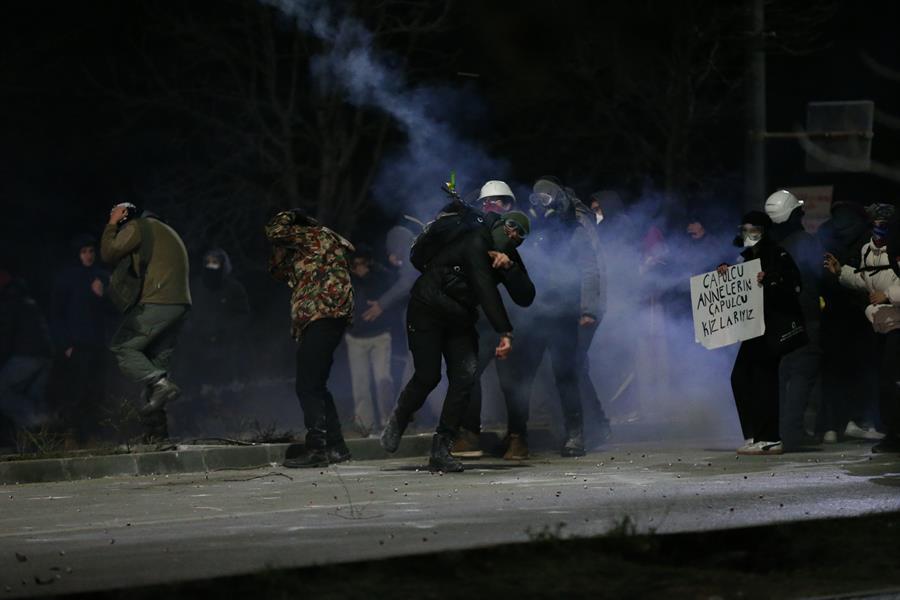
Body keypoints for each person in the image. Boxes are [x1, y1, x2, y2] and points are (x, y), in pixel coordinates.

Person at [380, 205, 532, 473]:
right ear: (499, 225)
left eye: (520, 234)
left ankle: (442, 448)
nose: (514, 236)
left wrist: (510, 269)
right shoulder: (476, 239)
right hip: (427, 307)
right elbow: (484, 287)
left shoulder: (508, 255)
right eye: (510, 228)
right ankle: (399, 418)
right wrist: (505, 331)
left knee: (465, 376)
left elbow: (527, 296)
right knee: (428, 376)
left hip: (460, 317)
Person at [495, 177, 604, 459]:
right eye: (536, 197)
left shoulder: (573, 230)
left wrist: (589, 308)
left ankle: (575, 434)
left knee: (565, 376)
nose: (539, 202)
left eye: (545, 197)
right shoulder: (532, 230)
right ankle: (517, 437)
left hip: (563, 314)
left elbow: (590, 270)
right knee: (523, 377)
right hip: (533, 314)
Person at [265, 209, 354, 467]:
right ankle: (336, 447)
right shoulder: (307, 250)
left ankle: (318, 450)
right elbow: (279, 272)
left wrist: (287, 215)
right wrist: (280, 253)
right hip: (320, 317)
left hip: (324, 314)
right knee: (316, 384)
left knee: (307, 385)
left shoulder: (314, 236)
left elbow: (274, 231)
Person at [453, 180, 536, 458]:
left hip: (507, 326)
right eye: (488, 202)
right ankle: (469, 433)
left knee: (511, 381)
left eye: (502, 202)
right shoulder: (470, 238)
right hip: (477, 324)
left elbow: (526, 295)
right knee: (468, 375)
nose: (494, 207)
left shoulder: (513, 242)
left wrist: (509, 267)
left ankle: (517, 437)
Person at [102, 203, 192, 442]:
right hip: (179, 306)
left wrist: (112, 223)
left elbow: (109, 252)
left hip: (158, 303)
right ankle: (157, 435)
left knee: (123, 346)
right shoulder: (170, 233)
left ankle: (160, 383)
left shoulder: (140, 227)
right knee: (152, 365)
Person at [723, 211, 806, 455]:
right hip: (753, 328)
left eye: (755, 229)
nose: (749, 234)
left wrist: (769, 279)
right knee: (741, 378)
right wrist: (725, 273)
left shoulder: (777, 254)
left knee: (763, 381)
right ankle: (754, 434)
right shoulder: (745, 256)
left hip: (770, 328)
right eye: (745, 228)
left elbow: (794, 284)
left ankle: (769, 438)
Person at [825, 203, 900, 453]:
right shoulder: (868, 249)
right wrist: (841, 273)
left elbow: (884, 287)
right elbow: (864, 279)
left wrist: (888, 295)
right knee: (885, 383)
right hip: (882, 325)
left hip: (897, 325)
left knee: (892, 382)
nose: (879, 229)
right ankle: (893, 434)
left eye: (884, 225)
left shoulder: (897, 248)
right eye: (876, 224)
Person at [764, 190, 824, 450]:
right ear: (795, 214)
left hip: (773, 320)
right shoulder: (804, 242)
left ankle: (775, 432)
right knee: (801, 372)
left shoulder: (765, 246)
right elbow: (820, 275)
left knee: (779, 375)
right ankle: (793, 434)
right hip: (802, 317)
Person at [816, 202, 880, 442]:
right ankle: (860, 419)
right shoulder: (867, 235)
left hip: (832, 313)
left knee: (832, 372)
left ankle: (829, 426)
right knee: (862, 369)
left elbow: (820, 273)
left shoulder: (824, 234)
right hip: (861, 311)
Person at [179, 247, 250, 430]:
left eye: (215, 263)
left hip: (225, 348)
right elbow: (184, 312)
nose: (211, 267)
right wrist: (191, 330)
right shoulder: (195, 286)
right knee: (197, 388)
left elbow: (243, 315)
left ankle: (230, 424)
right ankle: (195, 425)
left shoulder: (233, 288)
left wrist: (226, 331)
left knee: (225, 389)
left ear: (223, 265)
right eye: (208, 262)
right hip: (198, 347)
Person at [48, 235, 111, 444]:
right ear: (78, 254)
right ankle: (73, 435)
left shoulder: (101, 276)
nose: (89, 255)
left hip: (98, 344)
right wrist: (65, 344)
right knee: (76, 391)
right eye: (84, 251)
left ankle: (94, 435)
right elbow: (57, 313)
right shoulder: (67, 278)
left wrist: (102, 295)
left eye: (91, 251)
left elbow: (113, 311)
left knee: (97, 392)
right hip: (77, 345)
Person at [345, 243, 395, 437]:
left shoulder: (381, 276)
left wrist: (369, 274)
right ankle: (365, 425)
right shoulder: (347, 279)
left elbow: (393, 296)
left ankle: (388, 422)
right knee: (360, 384)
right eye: (355, 264)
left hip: (380, 335)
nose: (358, 267)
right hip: (355, 337)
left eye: (362, 263)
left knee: (383, 380)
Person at [0, 271, 53, 438]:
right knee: (32, 396)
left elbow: (7, 335)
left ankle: (39, 418)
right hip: (46, 356)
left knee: (3, 391)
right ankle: (36, 439)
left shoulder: (10, 301)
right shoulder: (27, 298)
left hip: (26, 356)